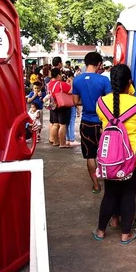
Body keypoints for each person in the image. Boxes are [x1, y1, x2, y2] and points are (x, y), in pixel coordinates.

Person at [93, 64, 136, 244]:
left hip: (109, 158)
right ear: (129, 82)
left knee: (110, 193)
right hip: (134, 158)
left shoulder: (101, 103)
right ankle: (126, 234)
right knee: (128, 194)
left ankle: (102, 230)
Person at [72, 52, 111, 193]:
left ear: (85, 62)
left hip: (86, 122)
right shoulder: (104, 81)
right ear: (99, 64)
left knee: (90, 155)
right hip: (102, 123)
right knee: (106, 153)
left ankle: (96, 185)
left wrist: (88, 103)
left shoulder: (77, 80)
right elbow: (110, 102)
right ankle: (109, 183)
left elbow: (75, 102)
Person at [47, 68, 74, 148]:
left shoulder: (49, 83)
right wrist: (71, 82)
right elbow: (71, 91)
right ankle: (62, 143)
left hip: (53, 105)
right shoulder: (61, 84)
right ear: (58, 75)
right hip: (61, 105)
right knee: (62, 125)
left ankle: (55, 141)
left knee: (55, 124)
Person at [65, 72, 80, 147]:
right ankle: (72, 139)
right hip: (71, 104)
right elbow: (72, 93)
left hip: (65, 105)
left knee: (67, 122)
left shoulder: (64, 84)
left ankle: (67, 138)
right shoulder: (71, 84)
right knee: (72, 121)